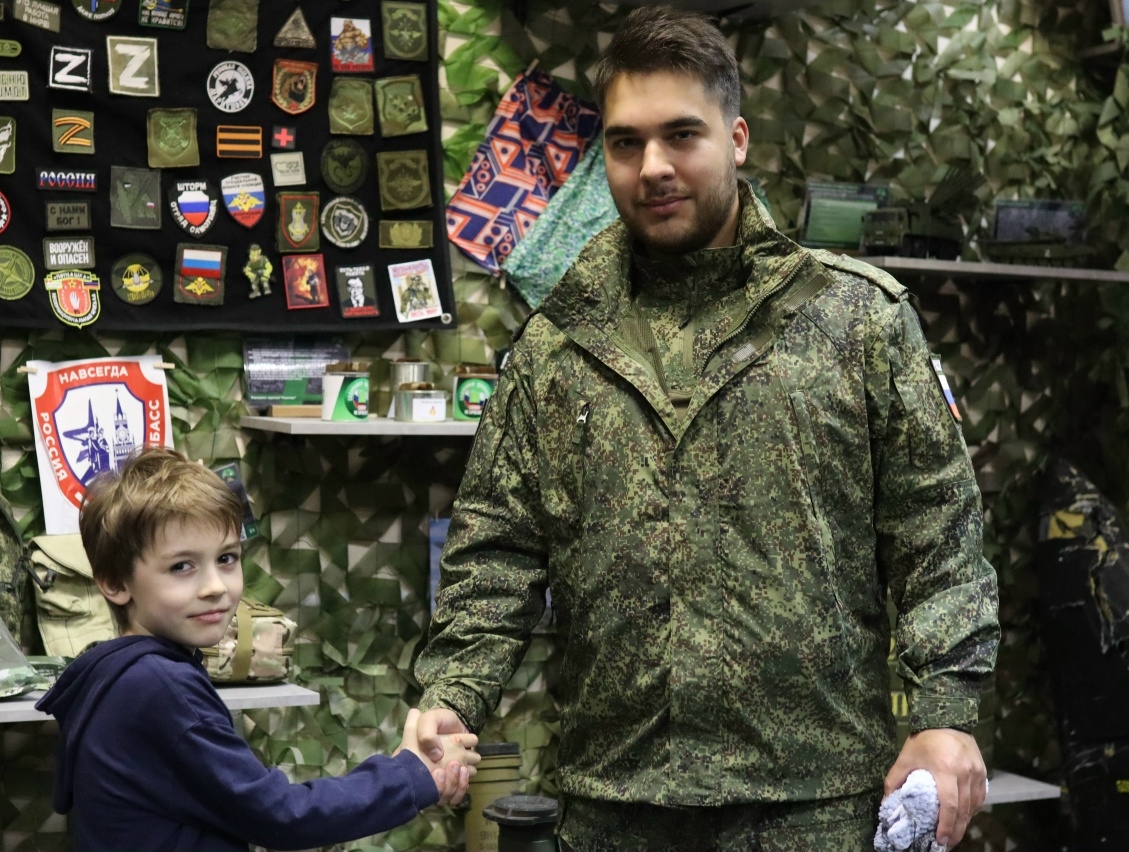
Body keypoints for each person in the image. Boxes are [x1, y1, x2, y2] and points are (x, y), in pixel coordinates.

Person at [414, 6, 999, 852]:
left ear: (738, 138)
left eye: (681, 135)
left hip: (810, 805)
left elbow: (938, 537)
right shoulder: (559, 343)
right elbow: (495, 553)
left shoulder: (853, 318)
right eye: (624, 142)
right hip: (615, 803)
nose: (652, 167)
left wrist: (946, 714)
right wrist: (449, 697)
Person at [37, 446, 480, 852]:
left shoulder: (125, 674)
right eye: (181, 566)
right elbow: (281, 816)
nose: (215, 587)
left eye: (226, 558)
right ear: (116, 583)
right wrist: (412, 773)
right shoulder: (157, 686)